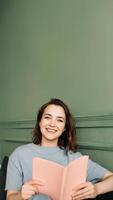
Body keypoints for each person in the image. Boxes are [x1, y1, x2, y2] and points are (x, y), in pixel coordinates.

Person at [5, 98, 113, 200]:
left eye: (59, 120)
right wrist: (21, 195)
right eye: (47, 117)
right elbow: (10, 197)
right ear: (39, 122)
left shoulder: (75, 159)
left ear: (64, 128)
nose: (52, 124)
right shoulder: (20, 154)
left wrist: (96, 189)